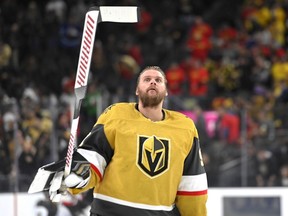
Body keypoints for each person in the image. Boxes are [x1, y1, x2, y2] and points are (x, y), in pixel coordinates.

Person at [30, 66, 208, 216]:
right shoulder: (116, 114)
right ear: (137, 90)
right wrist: (77, 175)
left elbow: (192, 184)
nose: (153, 82)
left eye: (158, 80)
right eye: (146, 79)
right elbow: (94, 156)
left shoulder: (185, 127)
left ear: (166, 91)